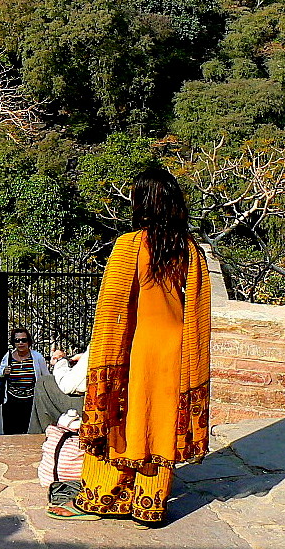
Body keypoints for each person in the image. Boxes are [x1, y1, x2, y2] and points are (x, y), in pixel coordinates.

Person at [49, 165, 212, 526]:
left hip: (136, 346)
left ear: (142, 203)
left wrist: (98, 356)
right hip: (175, 347)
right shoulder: (188, 249)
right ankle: (150, 506)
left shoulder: (129, 245)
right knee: (158, 420)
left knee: (120, 418)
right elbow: (195, 305)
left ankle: (104, 496)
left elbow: (113, 309)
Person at [0, 327, 50, 435]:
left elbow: (46, 376)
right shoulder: (8, 356)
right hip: (11, 401)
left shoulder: (37, 357)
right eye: (17, 340)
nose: (21, 343)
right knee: (11, 432)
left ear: (28, 341)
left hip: (30, 401)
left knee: (28, 431)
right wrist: (4, 371)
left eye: (24, 340)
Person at [28, 342, 89, 435]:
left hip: (94, 408)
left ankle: (45, 437)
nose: (20, 343)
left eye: (23, 340)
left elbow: (68, 385)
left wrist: (61, 361)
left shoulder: (104, 337)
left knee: (44, 383)